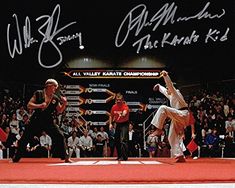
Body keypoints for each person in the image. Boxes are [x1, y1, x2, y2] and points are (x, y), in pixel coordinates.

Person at [12, 78, 72, 163]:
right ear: (49, 86)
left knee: (60, 136)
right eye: (55, 87)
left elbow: (59, 111)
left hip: (48, 120)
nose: (55, 89)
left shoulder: (55, 98)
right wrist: (39, 105)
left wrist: (65, 104)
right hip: (36, 119)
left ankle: (66, 157)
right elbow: (29, 105)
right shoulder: (38, 93)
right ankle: (16, 157)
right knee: (25, 138)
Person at [150, 70, 194, 162]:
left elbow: (170, 86)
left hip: (183, 114)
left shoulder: (176, 93)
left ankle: (158, 128)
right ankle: (180, 156)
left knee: (163, 108)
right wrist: (158, 86)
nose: (167, 89)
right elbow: (165, 91)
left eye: (168, 87)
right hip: (178, 117)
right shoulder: (171, 95)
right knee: (171, 136)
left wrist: (166, 76)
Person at [109, 93, 130, 161]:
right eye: (117, 100)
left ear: (122, 100)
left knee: (123, 140)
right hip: (118, 124)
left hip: (124, 124)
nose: (118, 101)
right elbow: (111, 116)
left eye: (120, 100)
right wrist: (110, 124)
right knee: (117, 140)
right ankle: (119, 156)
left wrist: (124, 113)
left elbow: (125, 111)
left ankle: (124, 157)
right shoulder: (113, 107)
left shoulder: (125, 107)